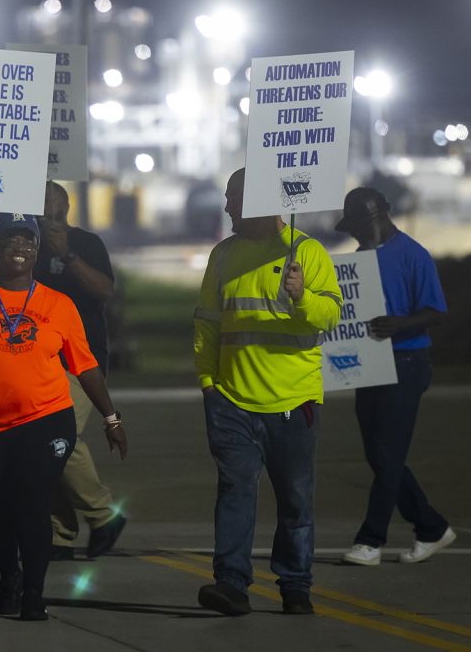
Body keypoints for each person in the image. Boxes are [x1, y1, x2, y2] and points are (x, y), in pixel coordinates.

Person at [0, 212, 127, 621]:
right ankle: (10, 577)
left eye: (28, 240)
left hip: (45, 419)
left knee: (33, 503)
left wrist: (110, 417)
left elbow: (87, 366)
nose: (20, 248)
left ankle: (34, 593)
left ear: (38, 248)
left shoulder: (58, 304)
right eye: (11, 240)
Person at [192, 168, 342, 617]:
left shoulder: (307, 253)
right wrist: (208, 384)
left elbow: (330, 316)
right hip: (232, 401)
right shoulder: (223, 255)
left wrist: (302, 298)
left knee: (295, 498)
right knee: (235, 489)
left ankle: (295, 585)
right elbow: (207, 323)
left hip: (293, 402)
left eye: (234, 198)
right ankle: (231, 584)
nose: (227, 208)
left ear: (258, 200)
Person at [335, 188, 455, 566]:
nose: (352, 235)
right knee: (381, 455)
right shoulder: (359, 260)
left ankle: (370, 540)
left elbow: (436, 311)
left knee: (387, 454)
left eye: (354, 227)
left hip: (406, 362)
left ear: (374, 219)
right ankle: (431, 527)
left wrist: (402, 325)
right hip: (370, 363)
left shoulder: (413, 255)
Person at [33, 182, 126, 560]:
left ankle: (104, 515)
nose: (47, 217)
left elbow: (104, 290)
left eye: (53, 210)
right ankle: (60, 533)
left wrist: (66, 254)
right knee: (42, 446)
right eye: (41, 210)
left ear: (67, 208)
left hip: (80, 359)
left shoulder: (86, 244)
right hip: (38, 358)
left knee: (60, 436)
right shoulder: (29, 246)